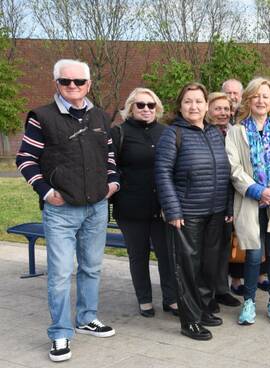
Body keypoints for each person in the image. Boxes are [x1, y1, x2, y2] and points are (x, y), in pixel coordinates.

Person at [16, 59, 118, 362]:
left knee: (91, 267)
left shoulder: (100, 116)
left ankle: (87, 318)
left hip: (96, 207)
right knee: (60, 274)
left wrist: (112, 183)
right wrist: (46, 191)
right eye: (65, 81)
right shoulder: (42, 117)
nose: (72, 86)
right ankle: (60, 333)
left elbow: (109, 154)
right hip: (61, 210)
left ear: (88, 84)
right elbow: (25, 159)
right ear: (56, 83)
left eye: (79, 82)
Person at [154, 82, 233, 340]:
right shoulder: (172, 134)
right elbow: (162, 174)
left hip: (215, 211)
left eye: (199, 101)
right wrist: (173, 209)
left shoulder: (213, 133)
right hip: (187, 213)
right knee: (187, 268)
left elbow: (225, 173)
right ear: (180, 105)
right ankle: (190, 321)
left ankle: (204, 308)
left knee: (209, 266)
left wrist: (228, 206)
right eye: (188, 101)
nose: (194, 106)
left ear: (206, 105)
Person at [225, 77, 270, 325]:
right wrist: (258, 190)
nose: (261, 100)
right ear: (248, 99)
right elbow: (234, 168)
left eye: (265, 96)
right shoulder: (237, 132)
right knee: (254, 255)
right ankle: (248, 302)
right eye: (256, 95)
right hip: (251, 201)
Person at [110, 88, 178, 318]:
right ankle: (145, 299)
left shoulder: (167, 132)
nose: (146, 109)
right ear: (130, 108)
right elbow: (110, 169)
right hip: (131, 207)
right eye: (140, 105)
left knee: (167, 255)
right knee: (138, 256)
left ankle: (171, 298)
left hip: (162, 206)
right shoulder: (118, 133)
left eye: (151, 105)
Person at [205, 92, 242, 308]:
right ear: (208, 110)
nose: (223, 113)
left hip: (231, 198)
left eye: (226, 109)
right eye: (217, 108)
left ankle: (221, 289)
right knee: (208, 251)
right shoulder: (206, 132)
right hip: (209, 199)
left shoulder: (233, 132)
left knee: (223, 248)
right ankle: (206, 293)